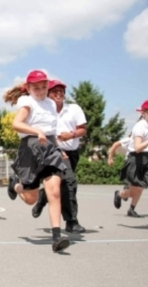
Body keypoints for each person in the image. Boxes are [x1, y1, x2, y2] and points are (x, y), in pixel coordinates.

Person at [4, 70, 71, 252]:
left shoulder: (50, 103)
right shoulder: (27, 102)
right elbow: (16, 124)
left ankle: (57, 237)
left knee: (54, 192)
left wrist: (57, 148)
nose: (41, 91)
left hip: (49, 148)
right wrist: (36, 131)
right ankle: (15, 186)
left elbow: (50, 130)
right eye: (36, 88)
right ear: (28, 88)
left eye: (44, 87)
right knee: (30, 199)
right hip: (30, 147)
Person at [30, 80, 87, 233]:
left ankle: (43, 197)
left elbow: (82, 129)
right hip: (53, 151)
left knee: (60, 186)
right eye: (54, 91)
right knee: (69, 182)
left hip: (72, 153)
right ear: (48, 93)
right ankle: (71, 222)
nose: (58, 93)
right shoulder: (45, 109)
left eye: (61, 91)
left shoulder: (73, 109)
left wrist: (71, 135)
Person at [113, 99, 148, 233]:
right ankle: (120, 195)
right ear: (143, 113)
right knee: (134, 192)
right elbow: (138, 148)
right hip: (135, 160)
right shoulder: (139, 126)